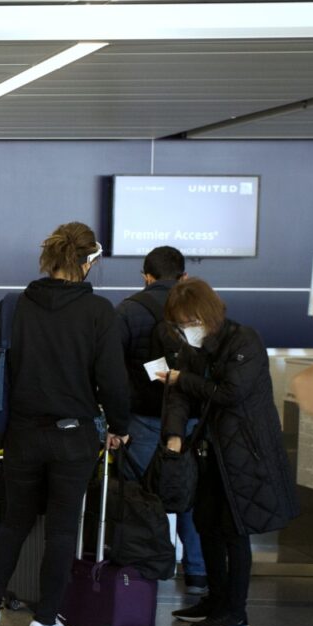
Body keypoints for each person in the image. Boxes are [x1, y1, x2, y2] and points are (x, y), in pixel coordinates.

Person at [0, 222, 130, 626]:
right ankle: (44, 624)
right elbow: (112, 381)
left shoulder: (15, 306)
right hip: (73, 438)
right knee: (62, 530)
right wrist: (119, 426)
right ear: (89, 261)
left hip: (21, 434)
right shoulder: (99, 313)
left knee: (15, 521)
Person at [160, 278, 299, 626]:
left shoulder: (244, 340)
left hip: (244, 453)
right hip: (210, 450)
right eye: (180, 323)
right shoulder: (195, 348)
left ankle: (236, 612)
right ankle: (216, 599)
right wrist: (174, 434)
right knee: (207, 525)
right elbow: (179, 395)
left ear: (207, 314)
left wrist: (181, 380)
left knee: (235, 531)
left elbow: (230, 393)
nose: (185, 329)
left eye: (189, 320)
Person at [114, 246, 208, 595]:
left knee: (140, 497)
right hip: (190, 422)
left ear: (145, 276)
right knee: (188, 495)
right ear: (183, 277)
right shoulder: (201, 310)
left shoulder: (128, 310)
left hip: (142, 418)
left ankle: (139, 576)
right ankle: (198, 574)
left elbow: (110, 366)